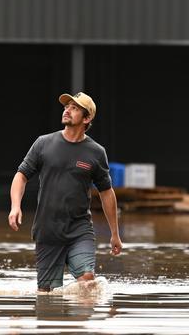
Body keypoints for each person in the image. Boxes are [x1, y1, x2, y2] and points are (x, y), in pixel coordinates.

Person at [8, 92, 122, 292]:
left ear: (87, 118)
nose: (67, 110)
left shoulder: (96, 152)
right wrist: (15, 206)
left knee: (88, 283)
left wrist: (115, 233)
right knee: (47, 295)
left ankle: (79, 322)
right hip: (47, 231)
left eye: (74, 108)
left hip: (80, 230)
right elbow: (21, 175)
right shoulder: (43, 143)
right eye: (66, 107)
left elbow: (106, 192)